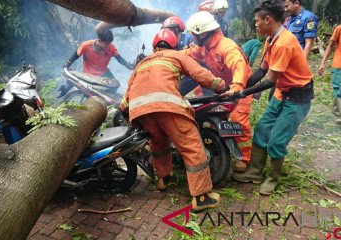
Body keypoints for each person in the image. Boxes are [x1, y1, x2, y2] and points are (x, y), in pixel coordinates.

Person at [120, 29, 226, 211]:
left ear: (155, 47)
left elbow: (126, 98)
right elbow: (200, 74)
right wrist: (220, 85)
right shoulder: (176, 56)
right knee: (191, 145)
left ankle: (163, 178)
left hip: (141, 111)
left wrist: (125, 111)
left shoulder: (142, 63)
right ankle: (201, 197)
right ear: (173, 45)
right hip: (167, 106)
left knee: (158, 142)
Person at [231, 0, 314, 195]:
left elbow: (270, 80)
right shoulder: (270, 40)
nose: (256, 24)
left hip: (297, 98)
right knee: (262, 129)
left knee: (277, 140)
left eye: (257, 21)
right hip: (281, 93)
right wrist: (240, 85)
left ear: (268, 19)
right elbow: (262, 70)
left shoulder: (285, 43)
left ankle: (272, 178)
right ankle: (254, 172)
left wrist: (243, 94)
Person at [184, 11, 253, 173]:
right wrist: (166, 55)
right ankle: (221, 146)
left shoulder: (225, 46)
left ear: (203, 33)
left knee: (238, 119)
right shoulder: (204, 48)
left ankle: (245, 158)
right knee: (217, 115)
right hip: (225, 88)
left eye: (194, 34)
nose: (192, 38)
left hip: (242, 88)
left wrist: (236, 87)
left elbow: (239, 65)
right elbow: (186, 54)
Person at [64, 29, 133, 78]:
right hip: (89, 74)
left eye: (109, 43)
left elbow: (119, 58)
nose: (108, 45)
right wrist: (68, 63)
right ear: (99, 41)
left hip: (104, 72)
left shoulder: (111, 47)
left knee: (115, 85)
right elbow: (76, 55)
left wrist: (128, 65)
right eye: (106, 43)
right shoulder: (86, 45)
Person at [318, 25, 341, 125]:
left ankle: (337, 112)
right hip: (338, 65)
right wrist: (323, 63)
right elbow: (330, 46)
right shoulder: (339, 29)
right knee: (339, 90)